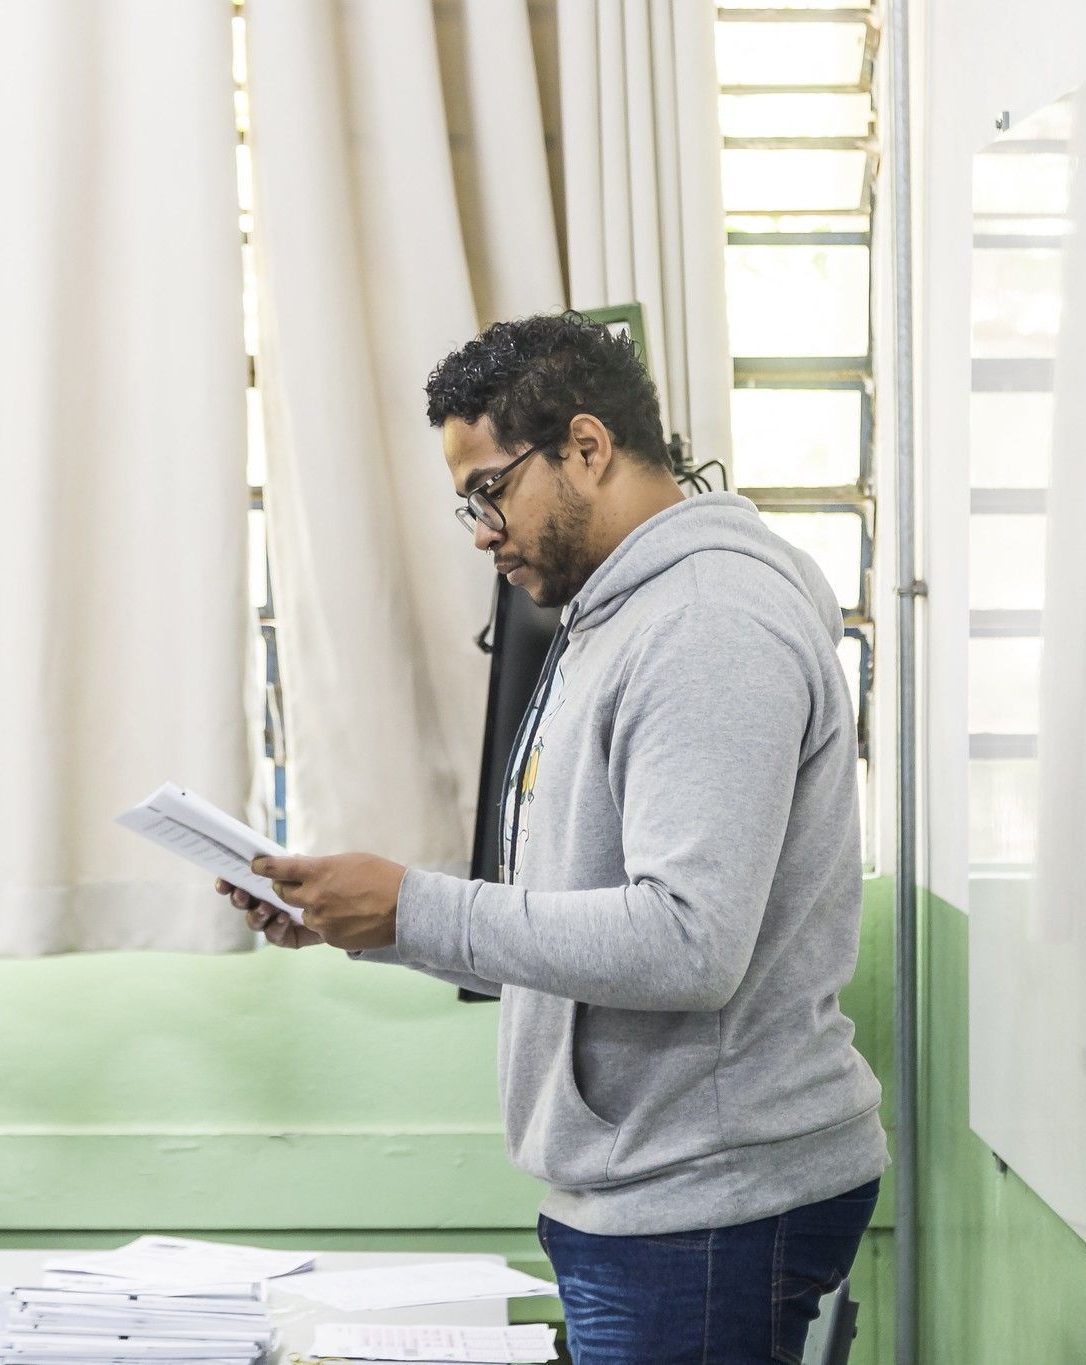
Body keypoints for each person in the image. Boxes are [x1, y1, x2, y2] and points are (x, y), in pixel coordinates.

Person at [216, 313, 885, 1363]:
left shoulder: (706, 620)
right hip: (656, 1191)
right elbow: (579, 890)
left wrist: (416, 905)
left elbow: (686, 941)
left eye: (490, 489)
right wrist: (369, 921)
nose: (481, 531)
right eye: (464, 504)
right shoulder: (617, 609)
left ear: (586, 447)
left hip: (704, 1204)